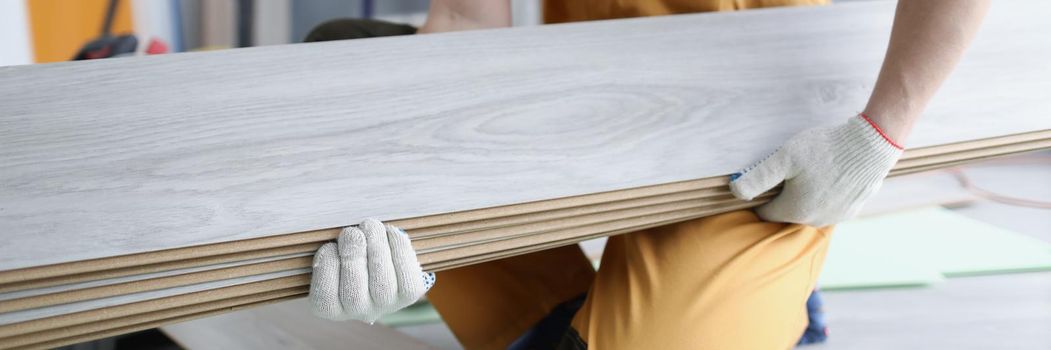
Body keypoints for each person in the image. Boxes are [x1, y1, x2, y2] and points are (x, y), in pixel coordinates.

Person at [307, 0, 991, 348]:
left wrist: (878, 132)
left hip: (754, 119)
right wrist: (403, 216)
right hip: (587, 77)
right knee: (336, 71)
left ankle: (771, 309)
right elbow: (463, 16)